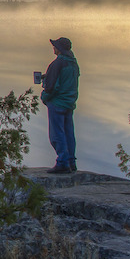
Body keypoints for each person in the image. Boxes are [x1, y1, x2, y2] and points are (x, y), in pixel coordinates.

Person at [41, 37, 80, 173]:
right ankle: (71, 162)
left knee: (57, 134)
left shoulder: (57, 64)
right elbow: (69, 83)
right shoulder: (73, 64)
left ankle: (62, 163)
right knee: (69, 133)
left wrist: (44, 97)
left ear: (60, 49)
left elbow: (52, 87)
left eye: (55, 46)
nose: (53, 48)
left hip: (57, 103)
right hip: (69, 103)